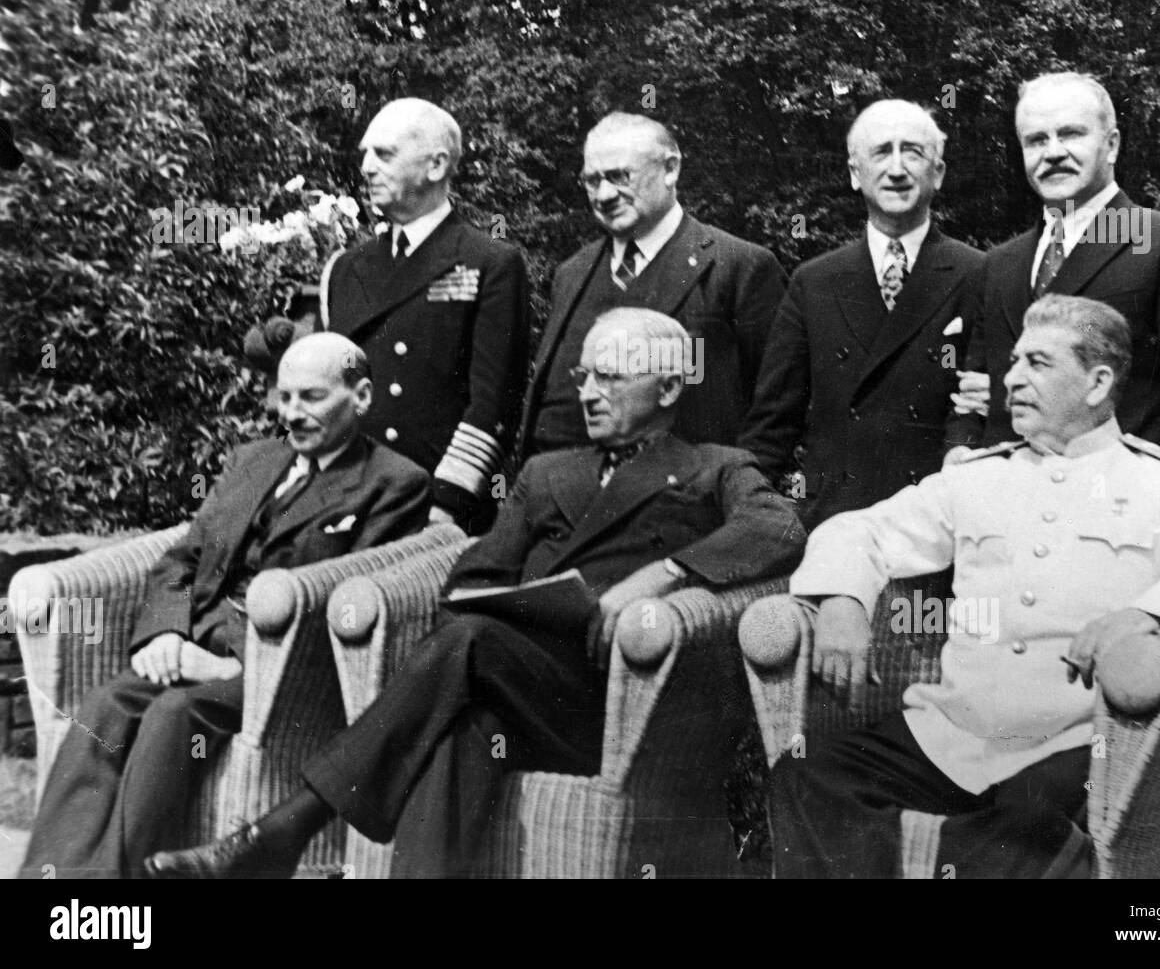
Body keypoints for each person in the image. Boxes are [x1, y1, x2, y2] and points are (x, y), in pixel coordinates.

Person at [145, 308, 806, 879]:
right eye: (584, 376)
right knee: (463, 727)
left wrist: (663, 575)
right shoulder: (548, 473)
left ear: (667, 387)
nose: (589, 394)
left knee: (467, 646)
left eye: (611, 377)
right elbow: (472, 578)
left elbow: (778, 526)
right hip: (509, 678)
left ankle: (280, 835)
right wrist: (526, 603)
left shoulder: (713, 467)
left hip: (614, 702)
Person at [769, 294, 1160, 879]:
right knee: (807, 773)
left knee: (1026, 824)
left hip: (1078, 742)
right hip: (953, 734)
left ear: (1097, 383)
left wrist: (1149, 614)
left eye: (1037, 364)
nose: (1011, 379)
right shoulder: (977, 479)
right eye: (1013, 362)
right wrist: (844, 599)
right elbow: (860, 531)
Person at [19, 334, 432, 879]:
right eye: (284, 398)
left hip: (282, 673)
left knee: (173, 714)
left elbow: (348, 596)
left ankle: (117, 893)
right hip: (194, 647)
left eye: (311, 397)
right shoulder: (252, 461)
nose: (292, 413)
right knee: (103, 707)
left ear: (361, 396)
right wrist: (166, 633)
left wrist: (235, 664)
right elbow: (182, 557)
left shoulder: (395, 483)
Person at [949, 71, 1160, 495]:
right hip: (1008, 520)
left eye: (1071, 134)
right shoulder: (999, 264)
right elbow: (971, 398)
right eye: (1036, 140)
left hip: (1118, 519)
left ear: (1112, 144)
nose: (1054, 152)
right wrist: (958, 456)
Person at [741, 100, 985, 529]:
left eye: (913, 152)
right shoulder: (813, 281)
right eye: (880, 153)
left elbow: (981, 411)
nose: (896, 169)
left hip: (936, 523)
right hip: (834, 520)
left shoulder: (979, 273)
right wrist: (745, 508)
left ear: (938, 173)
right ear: (855, 174)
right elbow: (773, 423)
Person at [518, 112, 786, 457]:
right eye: (591, 181)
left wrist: (739, 493)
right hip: (560, 498)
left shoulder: (739, 267)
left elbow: (778, 408)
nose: (604, 195)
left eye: (619, 176)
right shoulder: (572, 272)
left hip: (682, 502)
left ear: (670, 169)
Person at [321, 98, 530, 530]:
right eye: (364, 154)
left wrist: (447, 503)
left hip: (432, 505)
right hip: (346, 499)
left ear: (436, 166)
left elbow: (493, 402)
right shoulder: (347, 269)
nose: (366, 167)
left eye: (384, 154)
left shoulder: (488, 262)